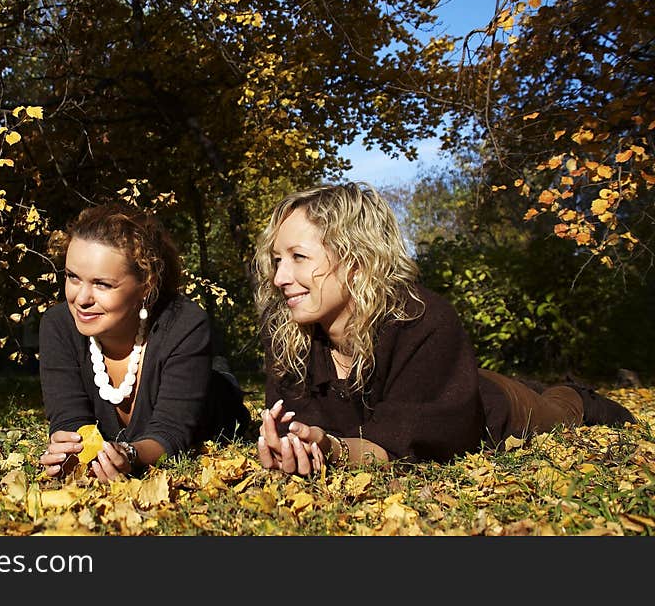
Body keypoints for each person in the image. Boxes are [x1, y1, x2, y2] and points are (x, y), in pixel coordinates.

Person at [252, 182, 636, 476]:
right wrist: (290, 445)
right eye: (276, 260)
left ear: (356, 260)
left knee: (556, 411)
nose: (280, 277)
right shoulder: (288, 335)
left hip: (485, 406)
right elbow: (302, 431)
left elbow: (395, 449)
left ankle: (577, 395)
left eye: (298, 257)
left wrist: (331, 448)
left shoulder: (423, 319)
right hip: (434, 382)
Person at [39, 202, 249, 484]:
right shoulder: (58, 325)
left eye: (102, 284)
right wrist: (69, 450)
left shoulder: (186, 324)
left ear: (146, 285)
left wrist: (130, 455)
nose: (82, 298)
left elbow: (172, 434)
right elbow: (68, 417)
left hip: (213, 403)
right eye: (73, 277)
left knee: (218, 383)